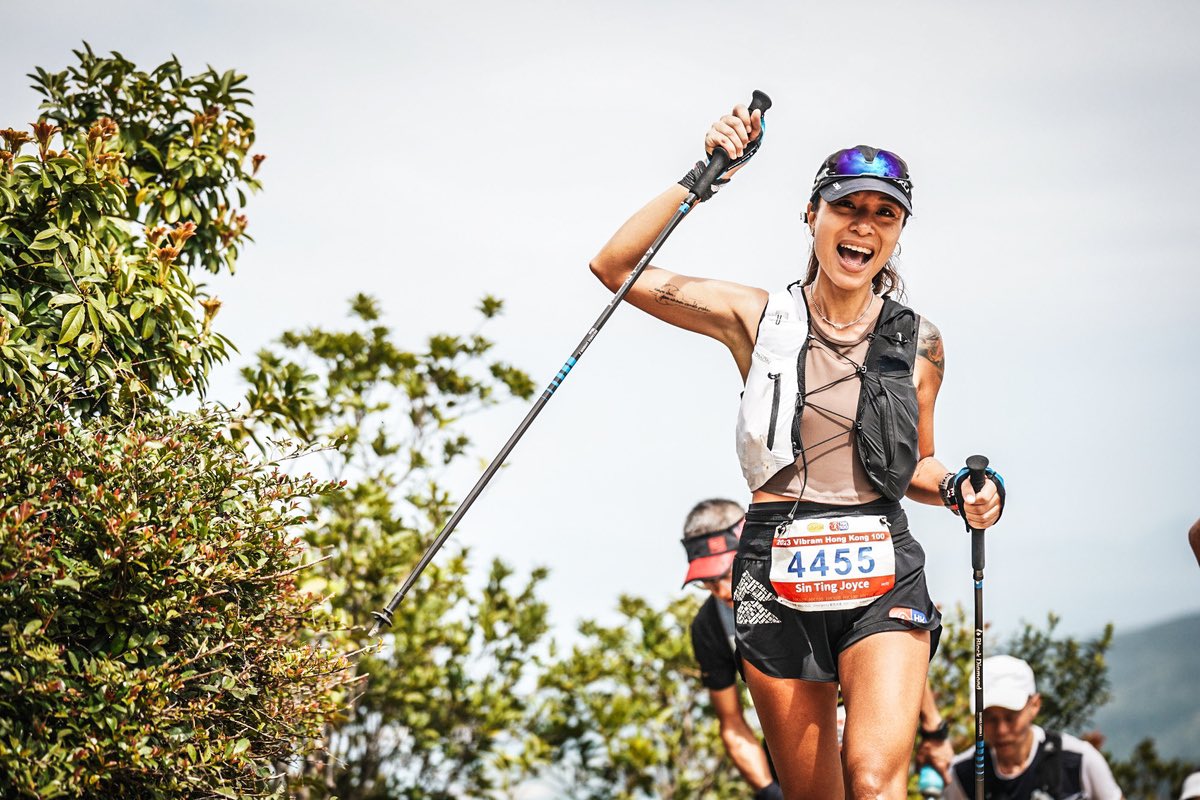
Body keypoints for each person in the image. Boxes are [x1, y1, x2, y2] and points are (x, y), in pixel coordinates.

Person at [591, 100, 1005, 800]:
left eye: (884, 213)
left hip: (882, 568)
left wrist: (964, 489)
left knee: (875, 784)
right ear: (811, 214)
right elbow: (615, 266)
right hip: (773, 565)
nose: (863, 225)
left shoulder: (920, 342)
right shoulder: (755, 316)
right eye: (848, 207)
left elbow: (917, 470)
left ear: (899, 230)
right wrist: (704, 176)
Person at [682, 498, 783, 800]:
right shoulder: (709, 625)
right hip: (787, 748)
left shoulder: (802, 579)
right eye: (709, 582)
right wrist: (769, 791)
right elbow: (732, 722)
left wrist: (932, 731)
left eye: (728, 574)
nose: (723, 591)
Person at [943, 655, 1123, 800]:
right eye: (989, 718)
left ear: (1035, 705)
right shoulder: (962, 774)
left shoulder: (1078, 759)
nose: (1001, 730)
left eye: (1010, 717)